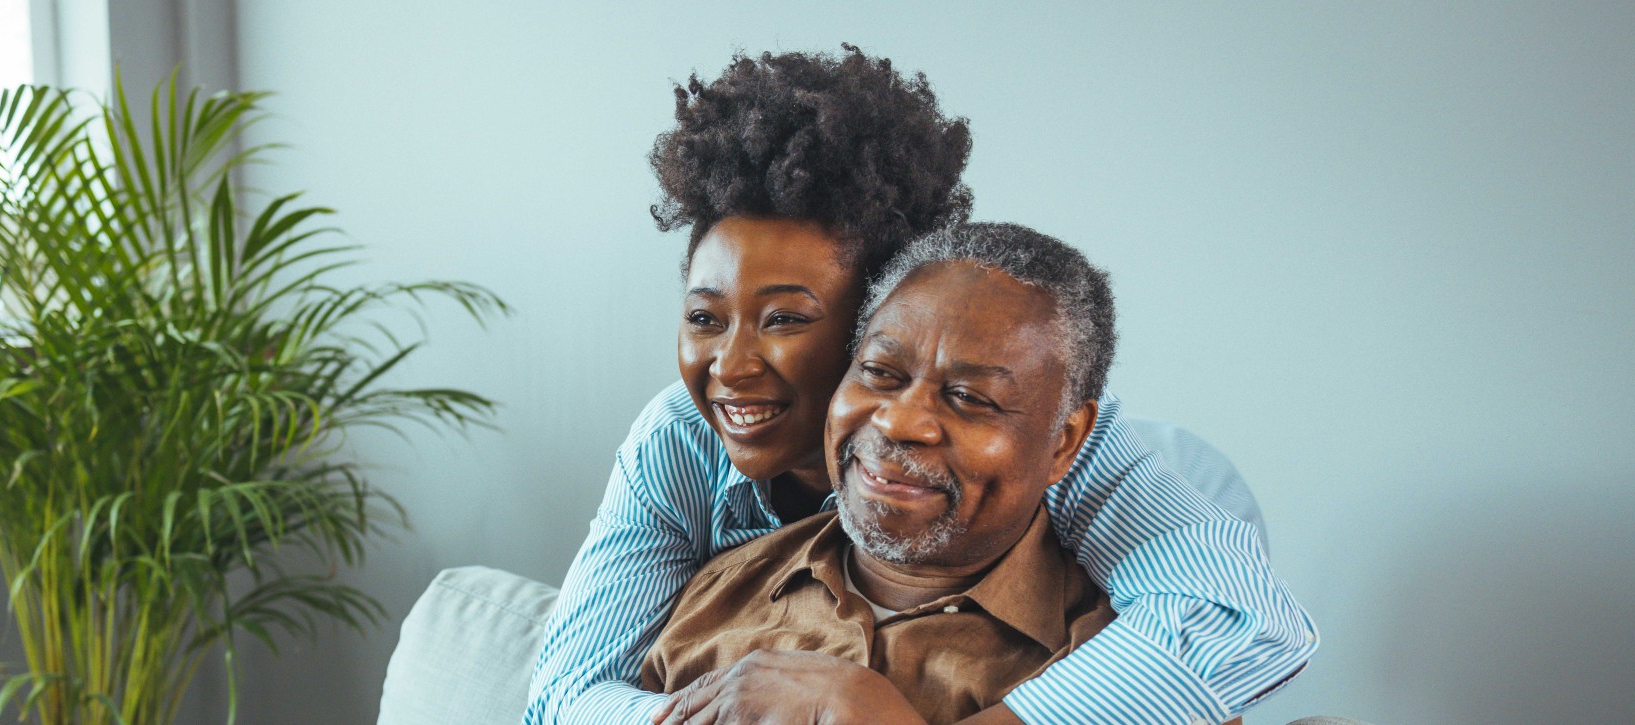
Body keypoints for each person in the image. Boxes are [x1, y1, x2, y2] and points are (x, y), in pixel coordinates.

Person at [526, 46, 1314, 725]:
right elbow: (562, 693)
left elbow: (1241, 617)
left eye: (786, 320)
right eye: (705, 317)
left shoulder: (1064, 447)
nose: (730, 366)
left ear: (881, 312)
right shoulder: (680, 439)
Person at [645, 222, 1200, 725]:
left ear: (1065, 440)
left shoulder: (1135, 678)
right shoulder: (717, 597)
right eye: (880, 373)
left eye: (969, 397)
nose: (899, 421)